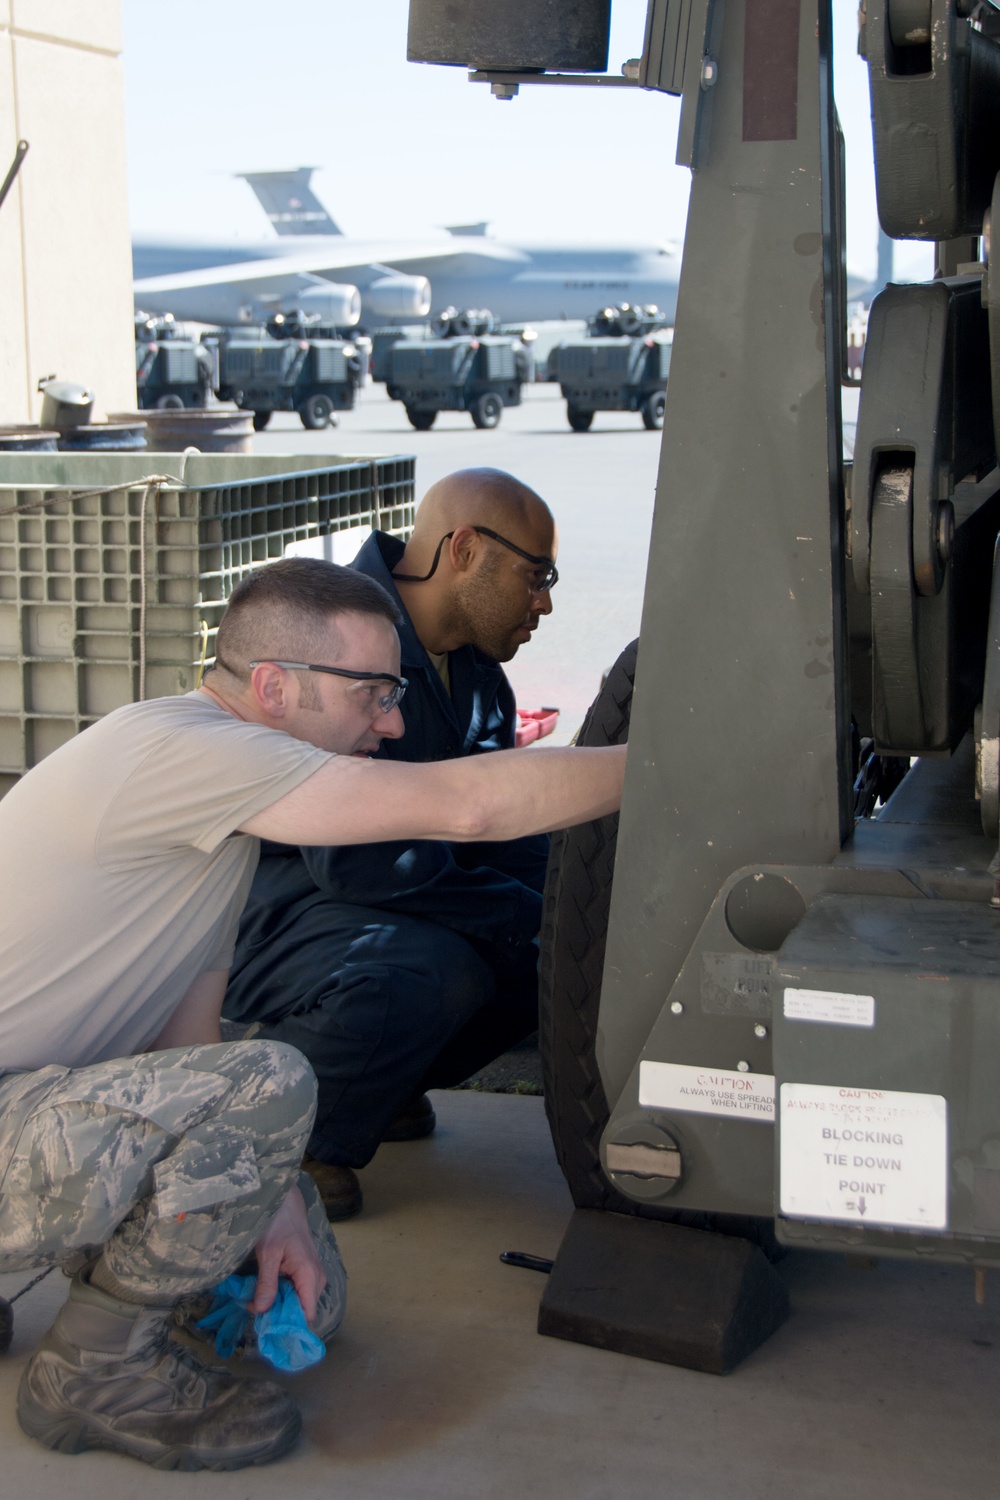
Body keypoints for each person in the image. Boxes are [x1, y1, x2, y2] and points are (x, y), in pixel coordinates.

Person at [0, 556, 625, 1472]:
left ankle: (116, 1296)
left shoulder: (210, 816)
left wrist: (273, 1190)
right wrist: (671, 762)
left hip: (24, 1104)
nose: (397, 720)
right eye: (373, 693)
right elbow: (469, 806)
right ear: (274, 687)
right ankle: (92, 1372)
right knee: (277, 1074)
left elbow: (190, 1045)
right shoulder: (183, 751)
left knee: (306, 1288)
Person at [223, 468, 557, 1219]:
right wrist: (524, 914)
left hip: (368, 898)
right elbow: (358, 862)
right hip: (270, 916)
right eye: (535, 576)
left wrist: (569, 907)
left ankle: (379, 1085)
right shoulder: (336, 641)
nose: (544, 602)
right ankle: (297, 1130)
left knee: (548, 953)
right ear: (464, 550)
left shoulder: (478, 676)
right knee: (428, 968)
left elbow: (498, 840)